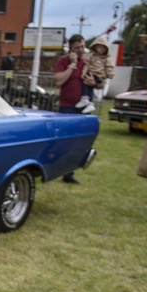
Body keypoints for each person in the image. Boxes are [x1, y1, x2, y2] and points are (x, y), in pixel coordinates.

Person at [54, 34, 97, 183]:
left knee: (80, 140)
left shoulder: (87, 62)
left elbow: (99, 82)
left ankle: (70, 172)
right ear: (71, 48)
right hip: (67, 106)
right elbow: (59, 81)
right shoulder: (63, 61)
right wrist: (71, 65)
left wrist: (94, 82)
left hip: (83, 107)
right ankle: (61, 169)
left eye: (82, 47)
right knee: (66, 140)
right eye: (77, 48)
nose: (80, 50)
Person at [76, 36, 114, 114]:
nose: (101, 49)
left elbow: (109, 66)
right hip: (90, 73)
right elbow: (87, 65)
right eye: (99, 47)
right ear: (95, 47)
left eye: (104, 47)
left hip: (99, 75)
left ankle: (86, 99)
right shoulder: (91, 56)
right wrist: (83, 72)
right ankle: (89, 102)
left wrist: (110, 74)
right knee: (88, 86)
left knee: (87, 84)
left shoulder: (107, 58)